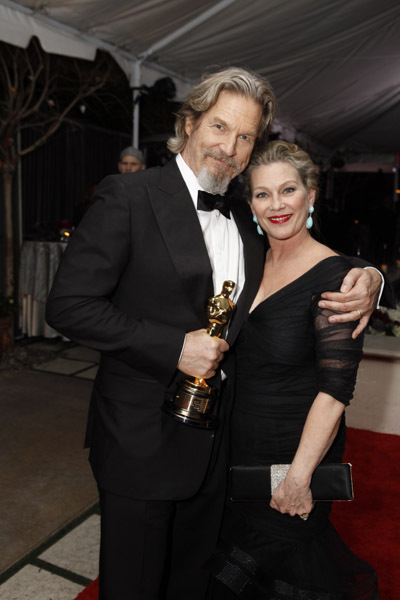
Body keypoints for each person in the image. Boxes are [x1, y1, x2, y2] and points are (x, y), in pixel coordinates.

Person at [45, 68, 382, 600]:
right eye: (221, 127)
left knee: (192, 587)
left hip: (219, 455)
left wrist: (371, 276)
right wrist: (174, 347)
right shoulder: (129, 196)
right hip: (141, 447)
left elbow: (300, 256)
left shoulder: (247, 222)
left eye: (245, 136)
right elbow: (67, 306)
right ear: (190, 123)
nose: (230, 147)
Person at [206, 141, 379, 599]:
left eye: (288, 190)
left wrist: (299, 477)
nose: (276, 204)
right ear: (250, 205)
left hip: (293, 456)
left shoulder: (335, 278)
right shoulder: (248, 259)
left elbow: (336, 389)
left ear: (311, 194)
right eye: (263, 195)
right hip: (237, 452)